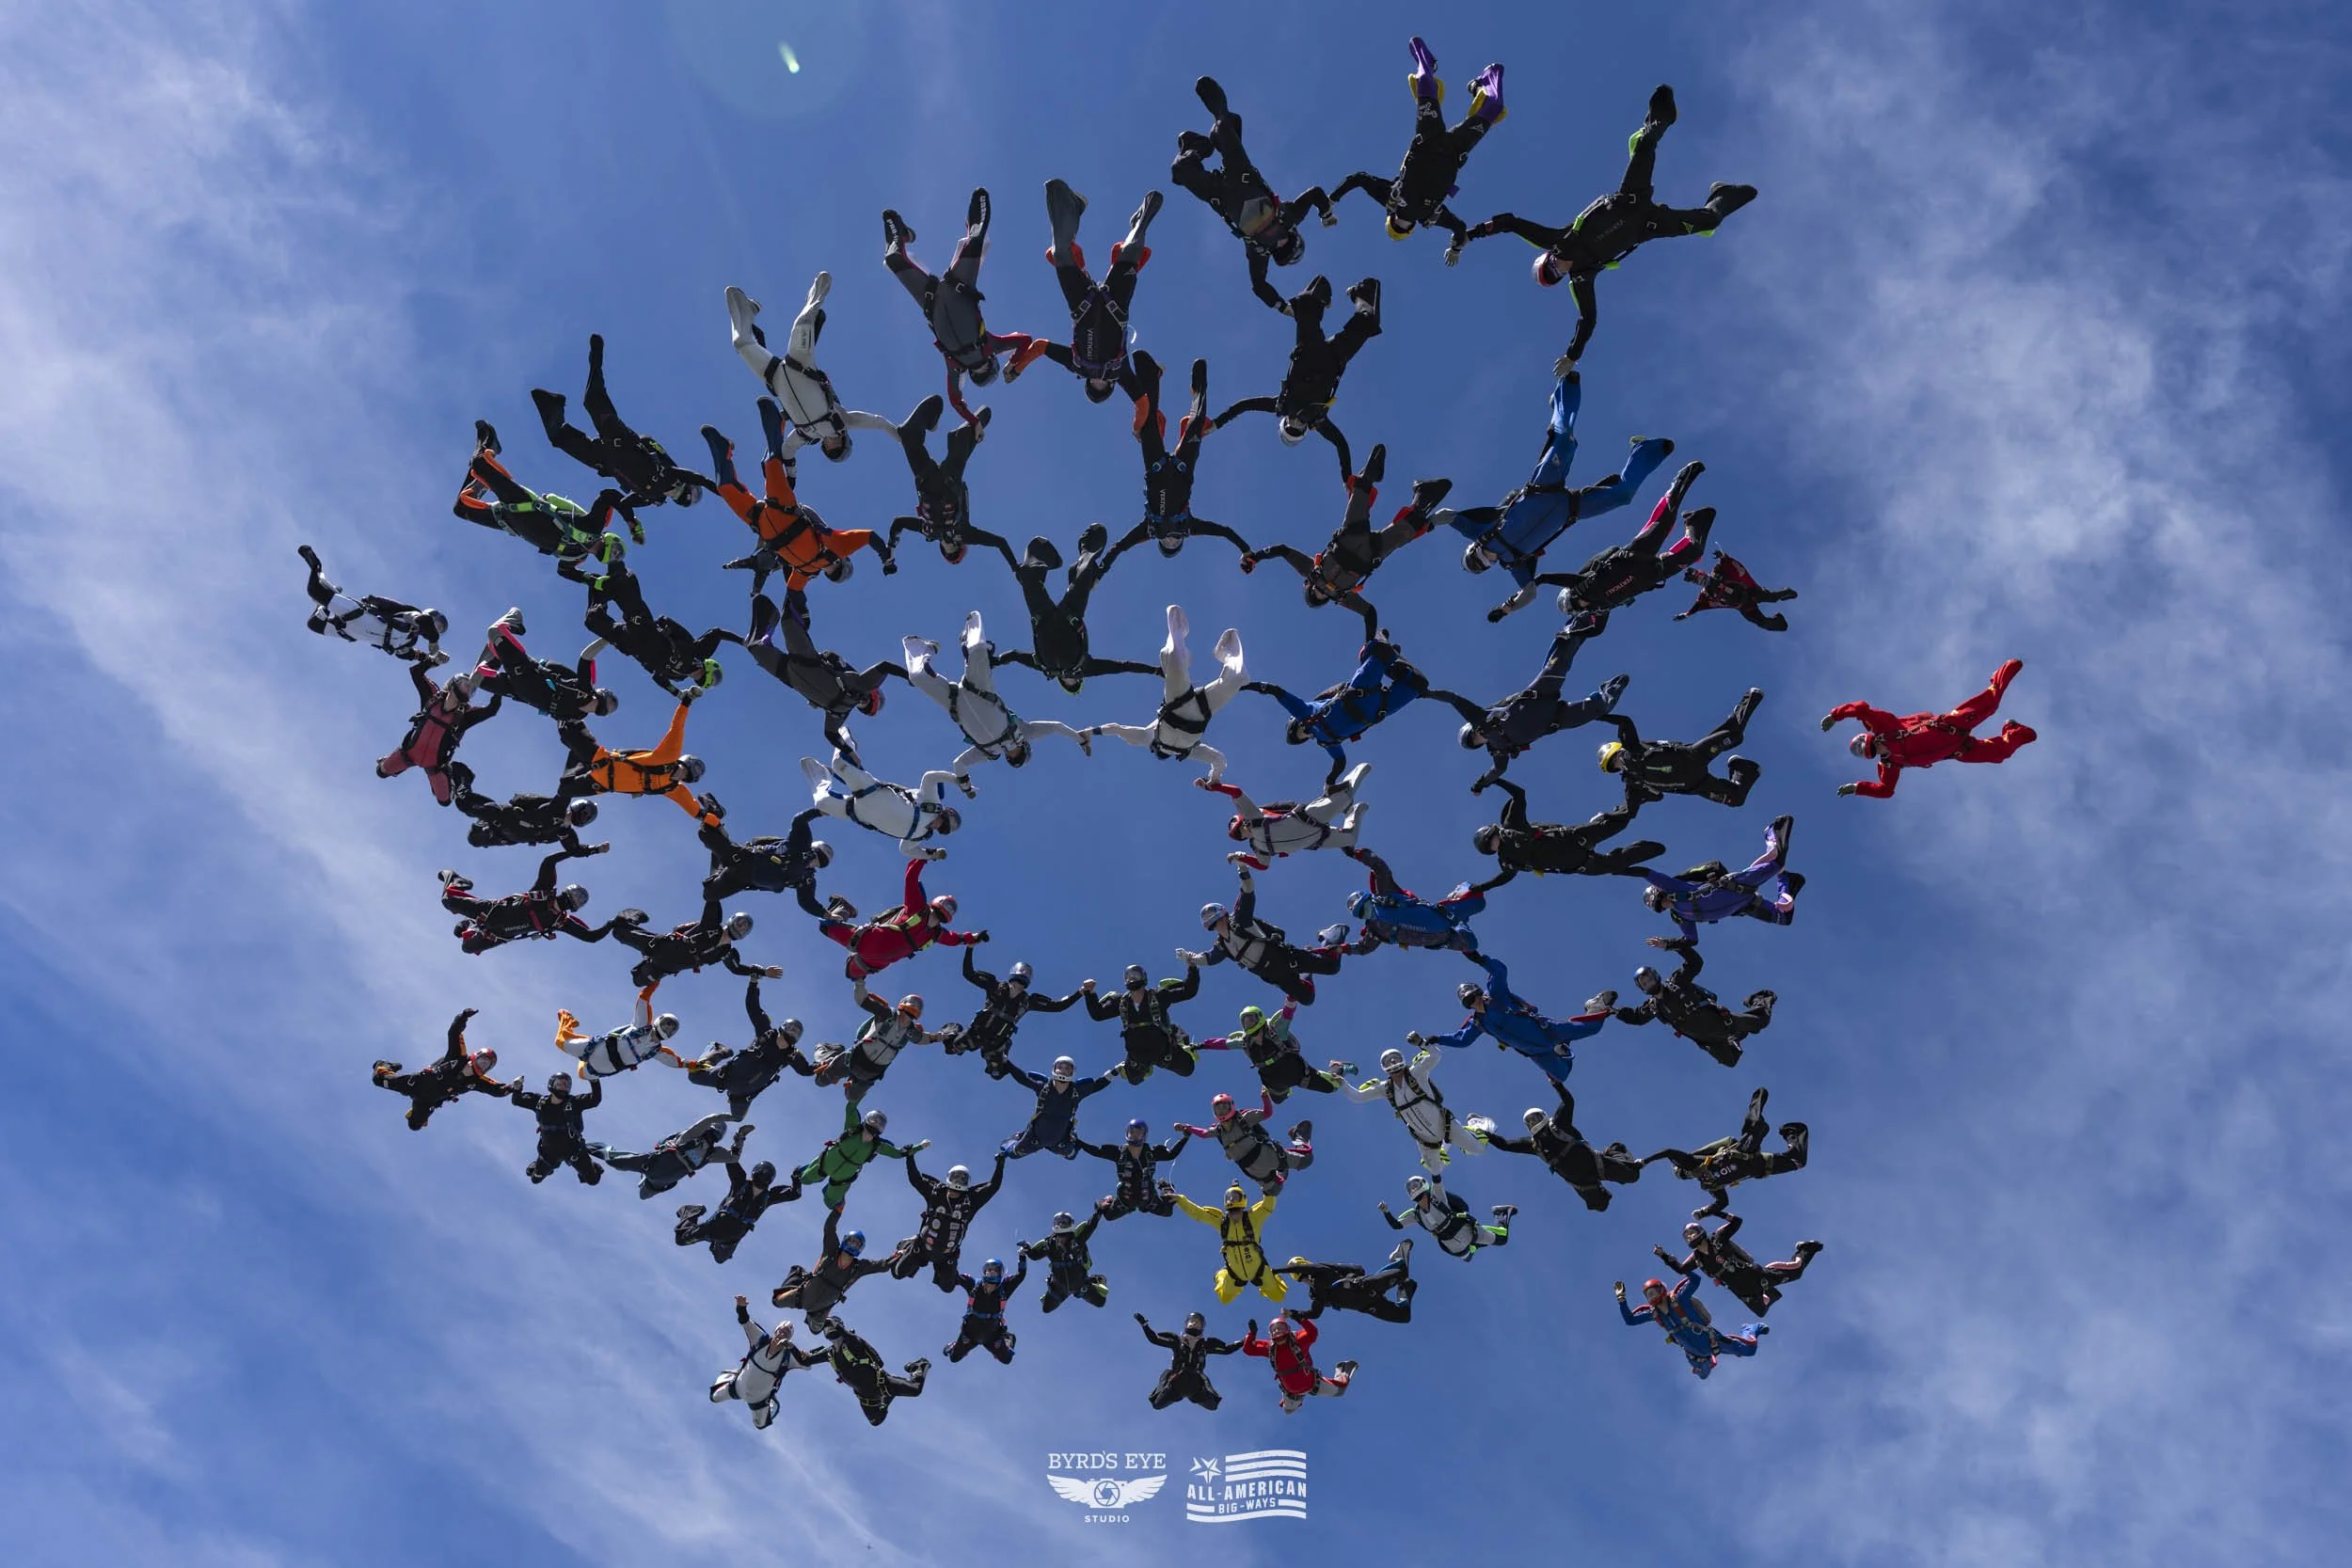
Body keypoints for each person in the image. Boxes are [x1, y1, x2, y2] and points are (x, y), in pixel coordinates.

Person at [1449, 86, 1756, 370]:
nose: (1557, 269)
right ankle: (1722, 194)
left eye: (1550, 267)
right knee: (1710, 221)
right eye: (1555, 276)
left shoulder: (1556, 240)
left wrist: (1468, 236)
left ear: (1548, 257)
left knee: (1647, 145)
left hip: (1628, 201)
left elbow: (1509, 223)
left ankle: (1653, 124)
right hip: (1648, 226)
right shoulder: (1581, 278)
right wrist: (1572, 355)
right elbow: (1588, 319)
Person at [1431, 372, 1676, 619]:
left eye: (1474, 562)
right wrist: (1506, 609)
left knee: (1566, 440)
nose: (1482, 563)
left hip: (1543, 486)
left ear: (1472, 549)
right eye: (1480, 569)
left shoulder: (1480, 531)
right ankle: (1646, 450)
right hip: (1571, 509)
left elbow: (1447, 516)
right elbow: (1530, 593)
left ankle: (1563, 392)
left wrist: (1426, 522)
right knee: (1623, 495)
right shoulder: (1513, 563)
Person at [1238, 446, 1454, 639]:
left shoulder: (1337, 594)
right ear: (1308, 588)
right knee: (1361, 499)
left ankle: (1417, 498)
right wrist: (1256, 557)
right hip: (1354, 543)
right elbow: (1283, 550)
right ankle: (1384, 485)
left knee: (1403, 529)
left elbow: (1370, 613)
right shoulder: (1314, 575)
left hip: (1365, 552)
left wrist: (1369, 641)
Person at [1170, 75, 1335, 312]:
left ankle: (1196, 147)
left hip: (1221, 197)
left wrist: (1282, 306)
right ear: (1292, 233)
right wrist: (1326, 212)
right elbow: (1315, 193)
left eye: (1278, 249)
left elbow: (1259, 285)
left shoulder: (1259, 252)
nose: (1277, 241)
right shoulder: (1290, 215)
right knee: (1223, 126)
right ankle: (1222, 123)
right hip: (1242, 174)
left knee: (1179, 172)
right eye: (1284, 242)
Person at [703, 406, 893, 601]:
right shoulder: (838, 547)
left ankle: (722, 447)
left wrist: (800, 615)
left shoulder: (804, 572)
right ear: (842, 561)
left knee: (725, 487)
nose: (831, 569)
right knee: (771, 464)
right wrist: (886, 557)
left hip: (761, 521)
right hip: (784, 509)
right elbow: (870, 537)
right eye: (837, 569)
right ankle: (778, 423)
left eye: (832, 574)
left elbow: (794, 593)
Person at [1330, 37, 1506, 245]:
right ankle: (1482, 82)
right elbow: (1459, 227)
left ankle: (1426, 61)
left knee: (1427, 85)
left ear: (1392, 220)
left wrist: (1332, 199)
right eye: (1403, 227)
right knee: (1494, 107)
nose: (1402, 223)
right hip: (1453, 150)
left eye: (1398, 225)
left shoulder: (1391, 201)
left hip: (1429, 142)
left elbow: (1358, 179)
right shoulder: (1429, 216)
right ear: (1410, 228)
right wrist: (1457, 246)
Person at [1213, 274, 1383, 482]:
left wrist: (1216, 423)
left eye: (1290, 428)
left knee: (1307, 305)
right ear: (1305, 432)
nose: (1295, 424)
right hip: (1334, 359)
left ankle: (1319, 297)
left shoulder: (1281, 405)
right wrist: (1347, 477)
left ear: (1284, 422)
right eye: (1297, 431)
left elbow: (1244, 405)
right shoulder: (1318, 421)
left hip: (1308, 353)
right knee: (1367, 322)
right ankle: (1362, 294)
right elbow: (1341, 444)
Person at [530, 332, 711, 525]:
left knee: (557, 437)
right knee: (592, 399)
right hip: (619, 440)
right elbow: (692, 475)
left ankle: (553, 403)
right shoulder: (671, 473)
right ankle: (596, 357)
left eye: (686, 498)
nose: (684, 496)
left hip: (603, 459)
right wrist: (717, 487)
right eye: (690, 493)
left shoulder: (651, 498)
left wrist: (631, 522)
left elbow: (624, 503)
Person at [1004, 181, 1162, 401]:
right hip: (1110, 304)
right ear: (1109, 387)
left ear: (1091, 384)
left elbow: (1040, 347)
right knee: (1124, 252)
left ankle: (1077, 206)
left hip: (1087, 304)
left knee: (1063, 254)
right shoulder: (1118, 372)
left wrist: (1018, 367)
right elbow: (1040, 347)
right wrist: (1017, 368)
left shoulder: (1082, 366)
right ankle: (1139, 222)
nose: (1099, 381)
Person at [882, 189, 1033, 419]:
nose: (979, 368)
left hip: (936, 297)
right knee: (975, 237)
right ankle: (903, 236)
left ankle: (901, 236)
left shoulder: (959, 363)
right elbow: (956, 401)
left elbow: (1025, 342)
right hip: (956, 289)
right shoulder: (986, 348)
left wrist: (1015, 365)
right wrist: (974, 422)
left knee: (894, 258)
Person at [723, 273, 898, 466]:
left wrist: (790, 475)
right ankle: (813, 298)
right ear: (844, 441)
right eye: (837, 448)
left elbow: (787, 451)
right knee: (805, 319)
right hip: (801, 366)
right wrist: (902, 437)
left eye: (829, 450)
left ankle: (748, 311)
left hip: (775, 378)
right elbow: (879, 422)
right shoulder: (842, 420)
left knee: (740, 343)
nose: (831, 445)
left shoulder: (804, 435)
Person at [1448, 615, 1631, 792]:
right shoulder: (1498, 749)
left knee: (1561, 658)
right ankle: (1611, 689)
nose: (1477, 737)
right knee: (1599, 709)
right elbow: (1498, 770)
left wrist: (1427, 693)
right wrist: (1481, 783)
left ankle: (1583, 617)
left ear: (1472, 728)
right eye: (1474, 742)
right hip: (1554, 719)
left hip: (1540, 694)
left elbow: (1455, 701)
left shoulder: (1485, 717)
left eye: (1472, 735)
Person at [903, 610, 1094, 778]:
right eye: (1017, 754)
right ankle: (968, 633)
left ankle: (924, 648)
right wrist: (1079, 738)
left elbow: (958, 764)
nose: (1012, 754)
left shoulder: (988, 753)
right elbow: (1055, 727)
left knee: (917, 676)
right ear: (1024, 748)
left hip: (954, 703)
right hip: (979, 691)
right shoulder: (1024, 732)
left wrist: (965, 785)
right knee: (978, 649)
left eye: (1011, 758)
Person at [1102, 353, 1252, 562]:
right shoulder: (1190, 526)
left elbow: (1120, 547)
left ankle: (1151, 373)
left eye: (1168, 544)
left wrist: (1098, 572)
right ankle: (1198, 386)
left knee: (1149, 424)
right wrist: (1245, 550)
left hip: (1156, 468)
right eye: (1175, 544)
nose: (1171, 541)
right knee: (1197, 422)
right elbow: (1224, 531)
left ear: (1160, 541)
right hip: (1183, 467)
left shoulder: (1149, 530)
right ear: (1183, 541)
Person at [1248, 636, 1457, 785]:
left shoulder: (1304, 712)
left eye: (1299, 731)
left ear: (1296, 722)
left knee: (1382, 650)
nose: (1304, 733)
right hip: (1377, 709)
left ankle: (1380, 656)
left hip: (1360, 692)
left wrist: (1247, 686)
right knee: (1420, 684)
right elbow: (1340, 761)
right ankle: (1395, 669)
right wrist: (1330, 782)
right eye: (1302, 737)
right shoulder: (1326, 742)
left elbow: (1276, 692)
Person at [1823, 657, 2038, 799]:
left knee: (1990, 704)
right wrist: (1858, 788)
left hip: (1950, 726)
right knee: (2000, 754)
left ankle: (2000, 674)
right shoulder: (1889, 764)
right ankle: (2014, 730)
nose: (1879, 752)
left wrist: (1836, 715)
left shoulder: (1886, 729)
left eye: (1874, 748)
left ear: (1873, 740)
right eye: (1873, 754)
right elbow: (1886, 790)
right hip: (1959, 750)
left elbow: (1862, 709)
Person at [985, 528, 1163, 694]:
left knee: (1027, 577)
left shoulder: (1044, 667)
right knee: (1085, 571)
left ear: (1061, 682)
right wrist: (1155, 670)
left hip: (1043, 618)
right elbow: (1122, 667)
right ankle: (1087, 550)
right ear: (1080, 680)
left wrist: (995, 662)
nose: (1070, 679)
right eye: (1075, 682)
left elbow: (1015, 655)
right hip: (1070, 615)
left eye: (1067, 683)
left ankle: (1038, 562)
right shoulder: (1086, 668)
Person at [1085, 604, 1249, 781]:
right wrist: (1213, 780)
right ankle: (1224, 653)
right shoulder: (1190, 751)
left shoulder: (1148, 738)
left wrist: (1090, 732)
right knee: (1236, 677)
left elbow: (1117, 729)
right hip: (1200, 713)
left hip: (1177, 705)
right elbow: (1219, 760)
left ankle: (1179, 633)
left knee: (1175, 658)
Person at [451, 422, 623, 582]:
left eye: (612, 555)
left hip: (509, 521)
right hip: (525, 505)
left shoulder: (577, 557)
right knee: (480, 464)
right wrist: (631, 520)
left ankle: (484, 479)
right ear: (609, 539)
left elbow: (565, 572)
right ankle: (491, 446)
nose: (613, 554)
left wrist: (595, 582)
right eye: (615, 550)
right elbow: (609, 497)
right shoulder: (593, 526)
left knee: (461, 509)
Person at [1541, 459, 1715, 617]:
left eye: (1576, 604)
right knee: (1694, 551)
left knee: (1665, 519)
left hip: (1634, 555)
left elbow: (1570, 580)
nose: (1582, 607)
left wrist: (1542, 579)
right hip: (1653, 573)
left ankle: (1682, 478)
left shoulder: (1585, 586)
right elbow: (1597, 629)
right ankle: (1696, 519)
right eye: (1579, 609)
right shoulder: (1601, 606)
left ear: (1573, 595)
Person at [738, 595, 899, 765]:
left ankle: (770, 619)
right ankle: (796, 580)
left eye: (864, 706)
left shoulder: (839, 713)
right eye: (867, 700)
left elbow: (831, 735)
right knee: (789, 618)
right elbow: (885, 666)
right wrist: (910, 677)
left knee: (755, 648)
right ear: (871, 693)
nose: (862, 701)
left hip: (788, 674)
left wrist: (850, 753)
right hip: (806, 659)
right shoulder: (859, 684)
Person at [1412, 953, 1613, 1086]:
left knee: (1593, 1028)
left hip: (1547, 1030)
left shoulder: (1496, 995)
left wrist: (1481, 959)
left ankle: (1594, 1006)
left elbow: (1499, 971)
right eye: (1469, 1001)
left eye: (1474, 996)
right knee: (1561, 1076)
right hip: (1537, 1052)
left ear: (1479, 992)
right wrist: (1438, 1039)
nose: (1474, 1001)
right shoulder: (1478, 1023)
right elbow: (1462, 1039)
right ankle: (1562, 1049)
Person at [1467, 776, 1662, 892]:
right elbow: (1504, 878)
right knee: (1612, 866)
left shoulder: (1512, 826)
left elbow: (1519, 794)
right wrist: (1481, 888)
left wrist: (1494, 779)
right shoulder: (1507, 860)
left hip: (1572, 839)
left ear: (1493, 832)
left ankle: (1636, 795)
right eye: (1489, 845)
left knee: (1620, 823)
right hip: (1576, 863)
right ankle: (1648, 849)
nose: (1493, 843)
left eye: (1491, 839)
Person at [1184, 865, 1346, 1006]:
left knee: (1331, 967)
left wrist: (1243, 868)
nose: (1217, 924)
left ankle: (1331, 934)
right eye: (1212, 922)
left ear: (1224, 914)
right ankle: (1305, 973)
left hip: (1284, 958)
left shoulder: (1239, 920)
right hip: (1275, 975)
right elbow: (1209, 958)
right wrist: (1192, 958)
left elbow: (1247, 893)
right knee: (1307, 998)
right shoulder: (1221, 945)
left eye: (1216, 918)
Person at [580, 559, 737, 701]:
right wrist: (743, 641)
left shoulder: (678, 677)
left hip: (629, 644)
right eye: (712, 678)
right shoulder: (698, 652)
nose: (706, 679)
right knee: (624, 586)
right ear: (709, 667)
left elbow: (658, 679)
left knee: (592, 620)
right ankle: (613, 553)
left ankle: (598, 587)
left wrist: (678, 694)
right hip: (646, 630)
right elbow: (717, 633)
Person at [883, 393, 1010, 568]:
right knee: (960, 446)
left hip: (928, 484)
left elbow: (899, 523)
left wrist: (890, 548)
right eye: (954, 550)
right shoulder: (966, 534)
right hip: (949, 485)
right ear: (960, 547)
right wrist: (1015, 567)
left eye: (947, 551)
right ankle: (969, 432)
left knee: (910, 437)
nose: (950, 547)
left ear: (942, 549)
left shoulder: (928, 531)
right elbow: (999, 542)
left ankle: (920, 429)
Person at [1644, 1085, 1810, 1217]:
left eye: (1684, 1172)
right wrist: (1704, 1212)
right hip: (1759, 1166)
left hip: (1744, 1152)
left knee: (1760, 1126)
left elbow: (1668, 1152)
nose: (1689, 1175)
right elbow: (1723, 1203)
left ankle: (1755, 1108)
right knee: (1798, 1161)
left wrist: (1644, 1162)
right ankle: (1790, 1131)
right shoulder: (1710, 1185)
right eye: (1685, 1176)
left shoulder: (1695, 1162)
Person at [1637, 814, 1801, 942]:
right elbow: (1691, 940)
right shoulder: (1678, 915)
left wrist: (1620, 867)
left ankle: (1771, 833)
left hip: (1732, 886)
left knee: (1778, 861)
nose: (1664, 906)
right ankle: (1787, 880)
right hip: (1744, 905)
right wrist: (1667, 944)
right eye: (1660, 907)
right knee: (1784, 918)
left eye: (1660, 901)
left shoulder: (1675, 886)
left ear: (1662, 893)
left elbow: (1648, 874)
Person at [1481, 1085, 1645, 1212]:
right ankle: (1615, 1167)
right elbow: (1505, 1145)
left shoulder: (1556, 1125)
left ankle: (1616, 1154)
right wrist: (1484, 1134)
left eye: (1535, 1118)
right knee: (1600, 1206)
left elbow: (1568, 1102)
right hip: (1585, 1179)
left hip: (1594, 1167)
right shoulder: (1534, 1144)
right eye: (1529, 1121)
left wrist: (1556, 1083)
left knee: (1632, 1174)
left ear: (1544, 1116)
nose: (1533, 1123)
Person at [816, 859, 986, 982]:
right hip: (866, 941)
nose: (948, 908)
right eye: (947, 905)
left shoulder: (935, 934)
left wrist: (974, 937)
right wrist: (924, 857)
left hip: (876, 962)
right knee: (825, 926)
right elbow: (910, 877)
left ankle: (858, 976)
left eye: (951, 908)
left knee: (852, 976)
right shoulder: (918, 907)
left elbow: (955, 939)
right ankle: (843, 908)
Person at [1597, 687, 1764, 808]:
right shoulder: (1632, 780)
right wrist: (1633, 802)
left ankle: (1750, 699)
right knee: (1735, 799)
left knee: (1733, 735)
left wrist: (1599, 716)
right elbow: (1651, 799)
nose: (1618, 763)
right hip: (1696, 784)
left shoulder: (1632, 749)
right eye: (1614, 766)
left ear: (1618, 750)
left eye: (1616, 758)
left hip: (1692, 756)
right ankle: (1743, 768)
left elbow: (1625, 721)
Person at [674, 976, 814, 1120]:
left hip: (742, 1096)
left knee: (738, 1118)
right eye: (792, 1028)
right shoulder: (766, 1032)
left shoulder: (792, 1055)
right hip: (726, 1076)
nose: (793, 1032)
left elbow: (807, 1070)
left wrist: (828, 1065)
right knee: (693, 1076)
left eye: (797, 1032)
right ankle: (718, 1051)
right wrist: (753, 983)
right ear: (783, 1027)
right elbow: (752, 1007)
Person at [560, 697, 719, 822]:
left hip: (600, 784)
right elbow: (677, 726)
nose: (683, 775)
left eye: (688, 776)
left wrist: (715, 822)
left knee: (564, 790)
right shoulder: (668, 756)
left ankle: (577, 751)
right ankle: (574, 718)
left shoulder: (674, 788)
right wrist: (686, 701)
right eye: (687, 770)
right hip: (602, 760)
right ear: (684, 762)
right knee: (566, 731)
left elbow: (696, 812)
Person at [436, 847, 612, 955]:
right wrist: (581, 851)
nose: (574, 900)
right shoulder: (544, 892)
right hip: (491, 911)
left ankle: (470, 924)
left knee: (467, 948)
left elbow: (591, 937)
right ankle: (455, 879)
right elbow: (549, 862)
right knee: (447, 900)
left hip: (500, 934)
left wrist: (614, 922)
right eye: (575, 896)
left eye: (578, 901)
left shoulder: (560, 922)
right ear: (566, 891)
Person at [297, 545, 446, 665]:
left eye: (439, 630)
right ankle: (316, 567)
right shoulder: (412, 617)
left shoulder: (410, 639)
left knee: (314, 625)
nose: (436, 630)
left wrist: (431, 659)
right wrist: (434, 641)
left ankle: (323, 608)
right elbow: (421, 620)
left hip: (352, 633)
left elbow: (404, 654)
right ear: (430, 615)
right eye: (437, 625)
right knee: (314, 590)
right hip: (359, 615)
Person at [1342, 1048, 1484, 1172]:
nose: (1392, 1061)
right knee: (1435, 1171)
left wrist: (1422, 1043)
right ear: (1383, 1066)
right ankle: (1444, 1149)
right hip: (1425, 1139)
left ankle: (1475, 1124)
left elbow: (1436, 1056)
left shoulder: (1415, 1072)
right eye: (1388, 1060)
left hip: (1445, 1123)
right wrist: (1342, 1082)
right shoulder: (1385, 1088)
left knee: (1478, 1149)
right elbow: (1357, 1097)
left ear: (1402, 1059)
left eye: (1395, 1058)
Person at [949, 953, 1089, 1079]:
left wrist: (1081, 992)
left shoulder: (1027, 1001)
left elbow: (1058, 1006)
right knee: (951, 1047)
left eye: (1028, 973)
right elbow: (968, 973)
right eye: (1022, 970)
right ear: (1013, 972)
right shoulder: (995, 986)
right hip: (976, 1033)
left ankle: (1003, 1054)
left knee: (996, 1073)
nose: (1024, 973)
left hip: (995, 1043)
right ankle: (951, 1031)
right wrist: (970, 948)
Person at [370, 1008, 515, 1130]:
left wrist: (512, 1088)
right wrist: (463, 1017)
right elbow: (454, 1033)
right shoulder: (459, 1055)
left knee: (415, 1125)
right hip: (417, 1084)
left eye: (486, 1066)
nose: (482, 1066)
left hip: (430, 1100)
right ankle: (385, 1065)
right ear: (476, 1056)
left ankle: (415, 1114)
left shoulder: (477, 1081)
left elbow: (496, 1090)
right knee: (378, 1079)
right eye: (483, 1060)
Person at [802, 750, 965, 858]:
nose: (938, 826)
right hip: (872, 793)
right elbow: (931, 777)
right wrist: (959, 780)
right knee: (839, 764)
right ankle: (844, 737)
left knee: (822, 803)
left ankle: (821, 776)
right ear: (943, 813)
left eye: (942, 829)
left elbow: (905, 850)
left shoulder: (920, 835)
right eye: (942, 822)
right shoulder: (932, 805)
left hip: (859, 813)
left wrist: (931, 854)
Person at [379, 663, 501, 807]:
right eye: (466, 684)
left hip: (434, 766)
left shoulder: (464, 716)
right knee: (381, 772)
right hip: (409, 753)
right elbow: (415, 672)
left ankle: (453, 774)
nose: (469, 689)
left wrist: (497, 686)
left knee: (444, 801)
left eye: (472, 689)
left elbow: (491, 710)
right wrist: (432, 661)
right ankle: (394, 763)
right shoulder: (432, 698)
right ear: (454, 682)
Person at [1201, 767, 1373, 865]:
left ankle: (1343, 783)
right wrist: (1243, 858)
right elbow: (1263, 865)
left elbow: (1236, 792)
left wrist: (1214, 787)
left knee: (1345, 796)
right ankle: (1354, 811)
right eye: (1240, 835)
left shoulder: (1254, 818)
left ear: (1243, 821)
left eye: (1241, 828)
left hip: (1309, 817)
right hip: (1316, 839)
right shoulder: (1259, 846)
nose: (1243, 832)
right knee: (1351, 839)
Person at [1656, 1217, 1823, 1318]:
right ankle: (1770, 1292)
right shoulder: (1697, 1258)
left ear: (1700, 1230)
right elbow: (1680, 1269)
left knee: (1797, 1271)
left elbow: (1737, 1221)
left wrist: (1714, 1211)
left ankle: (1805, 1249)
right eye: (1686, 1236)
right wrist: (1664, 1256)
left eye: (1691, 1232)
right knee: (1761, 1312)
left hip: (1754, 1275)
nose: (1689, 1236)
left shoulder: (1718, 1238)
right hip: (1741, 1290)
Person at [470, 609, 617, 722]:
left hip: (516, 690)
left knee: (475, 681)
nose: (602, 709)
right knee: (494, 632)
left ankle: (499, 653)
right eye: (605, 705)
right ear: (600, 695)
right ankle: (515, 617)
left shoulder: (576, 716)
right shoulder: (584, 688)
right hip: (525, 670)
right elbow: (586, 657)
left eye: (605, 711)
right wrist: (608, 638)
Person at [809, 984, 952, 1100]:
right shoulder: (886, 1014)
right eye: (913, 1003)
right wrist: (859, 980)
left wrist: (941, 1036)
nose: (915, 1007)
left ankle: (851, 1082)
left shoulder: (911, 1030)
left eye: (918, 1006)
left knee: (852, 1098)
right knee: (821, 1081)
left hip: (871, 1072)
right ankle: (826, 1051)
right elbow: (862, 1000)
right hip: (855, 1059)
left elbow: (923, 1039)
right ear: (903, 1003)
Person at [1339, 845, 1485, 954]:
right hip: (1442, 938)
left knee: (1478, 901)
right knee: (1471, 945)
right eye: (1353, 908)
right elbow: (1363, 948)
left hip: (1441, 917)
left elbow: (1380, 868)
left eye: (1354, 903)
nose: (1353, 906)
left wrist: (1356, 854)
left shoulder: (1382, 897)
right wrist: (1341, 949)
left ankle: (1460, 892)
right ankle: (1461, 922)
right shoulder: (1373, 931)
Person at [1614, 1275, 1766, 1380]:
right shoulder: (1655, 1314)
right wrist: (1622, 1300)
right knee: (1704, 1375)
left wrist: (1679, 1266)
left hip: (1713, 1342)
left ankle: (1750, 1329)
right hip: (1695, 1356)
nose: (1651, 1297)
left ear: (1662, 1290)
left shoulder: (1680, 1299)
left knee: (1750, 1350)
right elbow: (1630, 1320)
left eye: (1653, 1292)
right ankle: (1707, 1363)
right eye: (1648, 1295)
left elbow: (1695, 1280)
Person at [894, 1151, 1009, 1291]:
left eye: (962, 1179)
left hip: (946, 1255)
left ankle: (950, 1274)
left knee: (948, 1288)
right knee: (898, 1273)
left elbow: (993, 1187)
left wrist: (1000, 1164)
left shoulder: (971, 1201)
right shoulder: (936, 1193)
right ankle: (908, 1243)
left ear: (967, 1182)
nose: (958, 1182)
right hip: (922, 1247)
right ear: (949, 1177)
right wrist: (910, 1157)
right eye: (956, 1177)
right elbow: (915, 1179)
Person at [794, 1101, 930, 1215]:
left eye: (880, 1123)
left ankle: (832, 1193)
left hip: (842, 1178)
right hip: (827, 1163)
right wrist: (859, 1086)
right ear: (867, 1118)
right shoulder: (853, 1128)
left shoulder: (877, 1145)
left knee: (830, 1203)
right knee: (804, 1179)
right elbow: (851, 1107)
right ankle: (808, 1169)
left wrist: (919, 1147)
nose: (876, 1124)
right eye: (874, 1120)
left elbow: (898, 1153)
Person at [608, 901, 779, 990]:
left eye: (745, 928)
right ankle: (633, 917)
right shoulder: (712, 924)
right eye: (741, 923)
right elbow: (713, 896)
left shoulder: (726, 952)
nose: (741, 928)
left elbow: (737, 968)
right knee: (618, 932)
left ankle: (641, 953)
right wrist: (719, 861)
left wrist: (763, 971)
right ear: (733, 920)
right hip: (661, 946)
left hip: (663, 967)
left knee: (637, 981)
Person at [1198, 1002, 1345, 1103]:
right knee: (1278, 1100)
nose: (1249, 1024)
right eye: (1246, 1022)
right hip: (1275, 1083)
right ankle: (1285, 1091)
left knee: (1332, 1087)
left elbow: (1287, 1014)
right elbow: (1223, 1044)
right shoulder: (1245, 1042)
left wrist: (1292, 996)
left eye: (1252, 1019)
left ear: (1260, 1018)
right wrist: (1200, 1045)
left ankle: (1337, 1067)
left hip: (1299, 1075)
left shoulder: (1276, 1031)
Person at [710, 1296, 823, 1430]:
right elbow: (745, 1321)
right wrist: (741, 1306)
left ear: (789, 1337)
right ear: (776, 1331)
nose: (783, 1333)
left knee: (760, 1424)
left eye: (786, 1332)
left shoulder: (789, 1355)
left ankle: (771, 1402)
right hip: (737, 1386)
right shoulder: (761, 1339)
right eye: (781, 1330)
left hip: (759, 1399)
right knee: (714, 1397)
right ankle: (732, 1374)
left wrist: (804, 1356)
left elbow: (807, 1365)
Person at [772, 1208, 898, 1327]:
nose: (853, 1245)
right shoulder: (832, 1250)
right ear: (845, 1241)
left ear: (860, 1249)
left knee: (816, 1329)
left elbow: (882, 1265)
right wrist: (837, 1211)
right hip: (803, 1296)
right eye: (851, 1241)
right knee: (776, 1301)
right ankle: (797, 1279)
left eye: (857, 1244)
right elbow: (829, 1229)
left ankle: (816, 1320)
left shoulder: (859, 1267)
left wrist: (898, 1255)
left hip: (820, 1309)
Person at [1084, 961, 1204, 1085]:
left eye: (1135, 975)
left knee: (1188, 1069)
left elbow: (1189, 991)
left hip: (1162, 1051)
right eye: (1128, 977)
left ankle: (1183, 1045)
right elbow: (1097, 1014)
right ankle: (1146, 1069)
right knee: (1133, 1081)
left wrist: (1193, 968)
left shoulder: (1158, 995)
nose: (1131, 978)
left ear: (1143, 978)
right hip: (1138, 1055)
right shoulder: (1121, 1002)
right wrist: (1090, 993)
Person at [1174, 1091, 1313, 1196]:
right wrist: (1187, 1127)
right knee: (1274, 1191)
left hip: (1267, 1155)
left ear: (1231, 1107)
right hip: (1254, 1170)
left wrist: (1265, 1097)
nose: (1222, 1111)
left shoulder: (1243, 1118)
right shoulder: (1218, 1130)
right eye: (1218, 1109)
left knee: (1307, 1160)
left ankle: (1298, 1137)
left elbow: (1267, 1113)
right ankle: (1282, 1170)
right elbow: (1204, 1134)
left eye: (1224, 1107)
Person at [699, 807, 833, 917]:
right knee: (705, 834)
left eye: (819, 864)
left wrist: (826, 914)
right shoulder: (801, 843)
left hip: (743, 880)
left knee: (709, 895)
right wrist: (819, 811)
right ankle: (715, 811)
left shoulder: (806, 880)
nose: (815, 863)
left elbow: (807, 902)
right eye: (816, 857)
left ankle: (720, 853)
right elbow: (799, 820)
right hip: (745, 859)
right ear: (812, 849)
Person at [1170, 1183, 1287, 1304]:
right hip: (1234, 1272)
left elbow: (1268, 1206)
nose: (1231, 1199)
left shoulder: (1253, 1217)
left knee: (1279, 1296)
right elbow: (1198, 1214)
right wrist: (1180, 1200)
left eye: (1235, 1196)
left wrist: (1268, 1187)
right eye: (1229, 1197)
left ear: (1243, 1198)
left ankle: (1272, 1275)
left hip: (1259, 1269)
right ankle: (1222, 1274)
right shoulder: (1222, 1221)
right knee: (1224, 1299)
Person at [449, 765, 604, 853]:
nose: (584, 817)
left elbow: (575, 850)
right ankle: (463, 776)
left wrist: (595, 849)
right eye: (585, 813)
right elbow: (567, 788)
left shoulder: (565, 833)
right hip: (503, 816)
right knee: (463, 804)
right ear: (578, 805)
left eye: (587, 818)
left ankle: (482, 821)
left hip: (507, 837)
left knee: (473, 840)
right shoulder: (559, 807)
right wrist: (587, 766)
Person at [675, 1155, 798, 1264]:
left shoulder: (768, 1197)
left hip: (732, 1236)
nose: (764, 1175)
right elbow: (730, 1159)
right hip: (717, 1226)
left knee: (720, 1259)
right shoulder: (740, 1182)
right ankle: (690, 1211)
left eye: (766, 1174)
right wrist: (739, 1141)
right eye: (763, 1172)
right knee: (681, 1240)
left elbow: (794, 1194)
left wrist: (796, 1179)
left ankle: (715, 1244)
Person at [600, 1115, 745, 1201]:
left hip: (658, 1173)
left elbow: (733, 1157)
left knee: (642, 1193)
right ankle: (604, 1152)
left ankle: (606, 1153)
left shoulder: (709, 1152)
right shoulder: (696, 1139)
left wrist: (740, 1137)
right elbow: (707, 1122)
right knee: (615, 1163)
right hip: (659, 1169)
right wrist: (736, 1130)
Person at [817, 1317, 930, 1427]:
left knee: (915, 1389)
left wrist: (836, 1326)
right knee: (876, 1420)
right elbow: (804, 1361)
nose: (828, 1328)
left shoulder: (852, 1342)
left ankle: (919, 1365)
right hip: (866, 1397)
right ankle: (886, 1399)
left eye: (830, 1325)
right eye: (825, 1327)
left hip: (882, 1383)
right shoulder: (829, 1353)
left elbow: (858, 1344)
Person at [1002, 1055, 1120, 1160]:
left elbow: (1097, 1085)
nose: (1063, 1071)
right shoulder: (1043, 1087)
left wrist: (1115, 1071)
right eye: (1060, 1067)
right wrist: (1007, 1062)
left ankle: (1073, 1142)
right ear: (1054, 1069)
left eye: (1067, 1068)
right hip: (1034, 1136)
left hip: (1060, 1140)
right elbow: (1023, 1078)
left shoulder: (1077, 1091)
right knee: (1011, 1154)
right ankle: (1018, 1137)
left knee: (1071, 1155)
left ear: (1073, 1072)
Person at [552, 984, 680, 1079]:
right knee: (560, 1042)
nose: (667, 1030)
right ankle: (567, 1019)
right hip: (595, 1049)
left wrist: (694, 1066)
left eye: (671, 1030)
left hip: (600, 1069)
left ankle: (583, 1053)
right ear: (659, 1021)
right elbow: (644, 998)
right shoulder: (642, 1025)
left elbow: (675, 1062)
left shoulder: (656, 1051)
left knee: (581, 1074)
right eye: (667, 1025)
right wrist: (658, 977)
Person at [1378, 1172, 1514, 1260]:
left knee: (1502, 1239)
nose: (1412, 1189)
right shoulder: (1416, 1214)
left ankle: (1501, 1213)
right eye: (1410, 1188)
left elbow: (1437, 1179)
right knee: (1468, 1257)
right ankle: (1474, 1246)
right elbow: (1397, 1225)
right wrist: (1386, 1213)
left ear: (1423, 1184)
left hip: (1468, 1231)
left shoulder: (1437, 1197)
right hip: (1454, 1247)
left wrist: (1432, 1159)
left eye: (1414, 1185)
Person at [1078, 1118, 1190, 1221]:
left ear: (1144, 1135)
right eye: (1132, 1133)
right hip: (1126, 1199)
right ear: (1127, 1133)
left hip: (1147, 1197)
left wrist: (1185, 1137)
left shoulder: (1151, 1153)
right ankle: (1106, 1201)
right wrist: (1078, 1143)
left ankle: (1166, 1189)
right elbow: (1097, 1151)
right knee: (1108, 1215)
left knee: (1167, 1212)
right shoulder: (1119, 1153)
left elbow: (1171, 1155)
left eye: (1138, 1133)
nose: (1134, 1136)